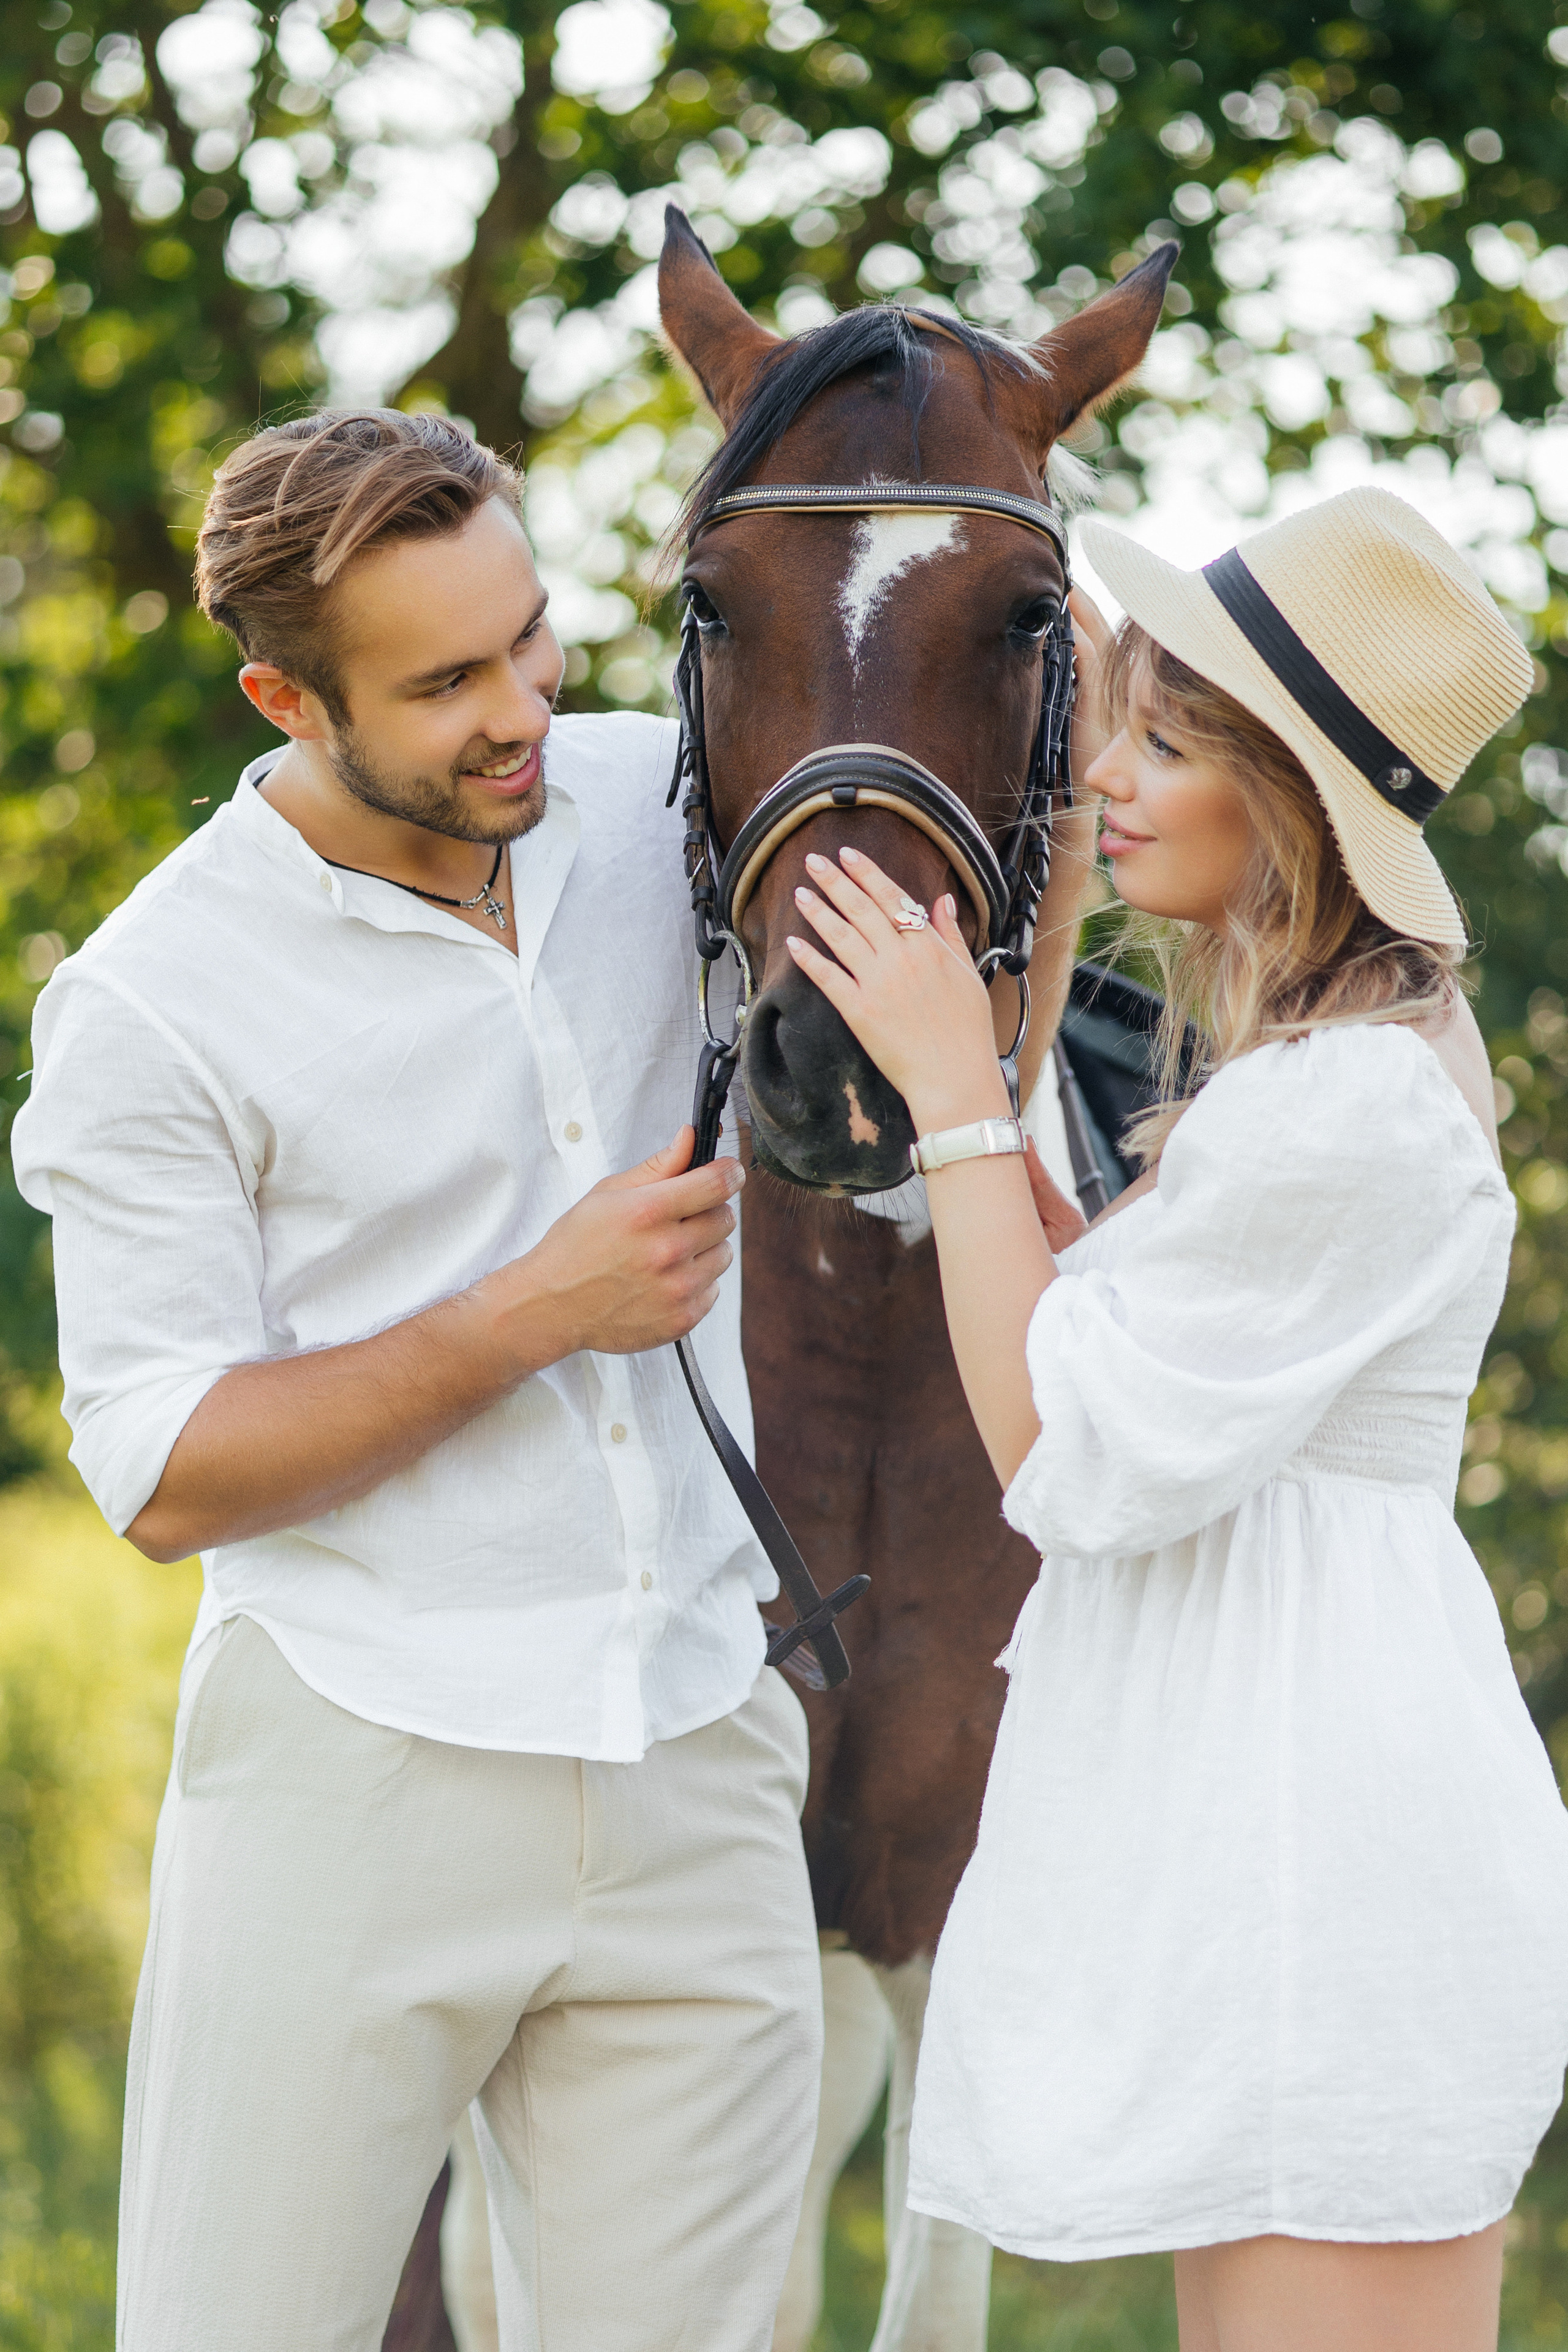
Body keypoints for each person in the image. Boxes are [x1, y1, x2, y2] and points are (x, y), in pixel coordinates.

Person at [11, 409, 823, 2352]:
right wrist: (530, 1311)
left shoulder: (666, 806)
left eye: (531, 639)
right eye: (446, 682)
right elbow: (165, 1469)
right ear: (286, 695)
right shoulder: (150, 1002)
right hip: (357, 1768)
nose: (522, 709)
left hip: (700, 1739)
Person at [781, 484, 1568, 2352]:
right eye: (1121, 726)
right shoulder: (1310, 1077)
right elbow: (1127, 1363)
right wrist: (1043, 1212)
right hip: (1277, 1842)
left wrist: (960, 1100)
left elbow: (1066, 1456)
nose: (1109, 780)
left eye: (1169, 741)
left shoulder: (1343, 1107)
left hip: (1325, 1866)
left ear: (1293, 798)